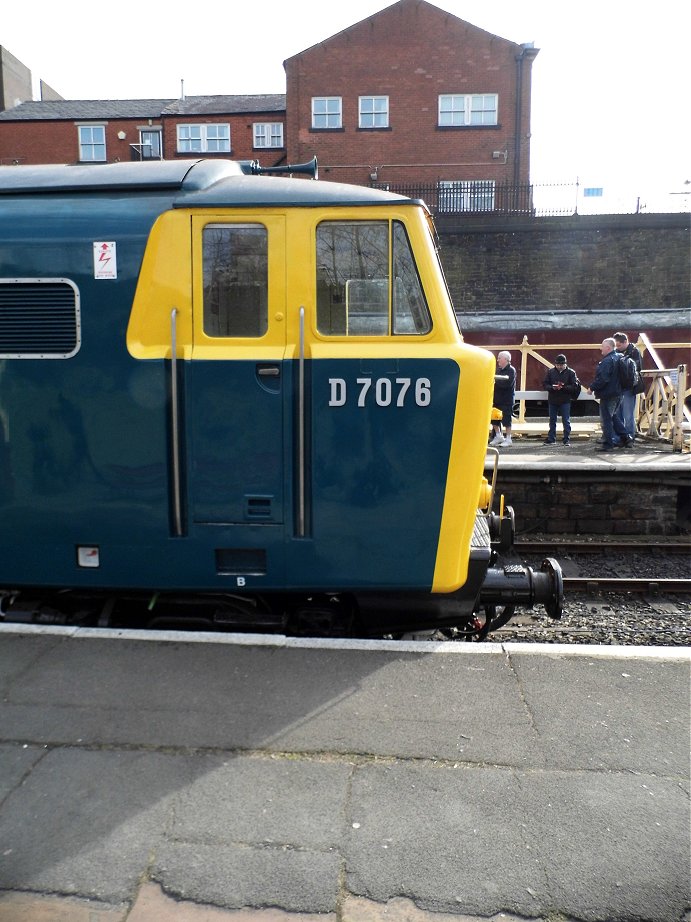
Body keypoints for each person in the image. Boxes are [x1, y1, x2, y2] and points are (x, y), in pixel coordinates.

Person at [587, 338, 631, 451]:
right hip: (618, 393)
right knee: (614, 416)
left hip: (608, 394)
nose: (600, 348)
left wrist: (592, 387)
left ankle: (608, 444)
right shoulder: (620, 357)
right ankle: (626, 438)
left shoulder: (607, 361)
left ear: (608, 348)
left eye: (602, 346)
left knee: (606, 419)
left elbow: (603, 379)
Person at [542, 354, 580, 446]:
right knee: (553, 420)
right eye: (558, 365)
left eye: (561, 365)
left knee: (565, 420)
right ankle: (554, 439)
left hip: (563, 399)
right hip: (557, 399)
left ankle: (565, 439)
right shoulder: (568, 372)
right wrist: (553, 387)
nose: (559, 367)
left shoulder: (569, 373)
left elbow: (574, 386)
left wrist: (561, 387)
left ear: (565, 364)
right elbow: (545, 384)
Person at [613, 331, 644, 442]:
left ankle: (629, 436)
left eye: (619, 345)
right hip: (621, 387)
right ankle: (622, 437)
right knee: (620, 414)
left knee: (627, 415)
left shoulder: (634, 351)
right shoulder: (628, 352)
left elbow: (637, 367)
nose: (617, 347)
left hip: (628, 388)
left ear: (625, 342)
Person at [489, 351, 516, 447]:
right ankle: (498, 435)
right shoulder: (498, 370)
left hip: (506, 399)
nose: (498, 360)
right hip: (497, 399)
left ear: (506, 359)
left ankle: (508, 438)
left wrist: (495, 381)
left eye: (500, 358)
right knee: (494, 418)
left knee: (506, 419)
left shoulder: (511, 370)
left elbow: (507, 384)